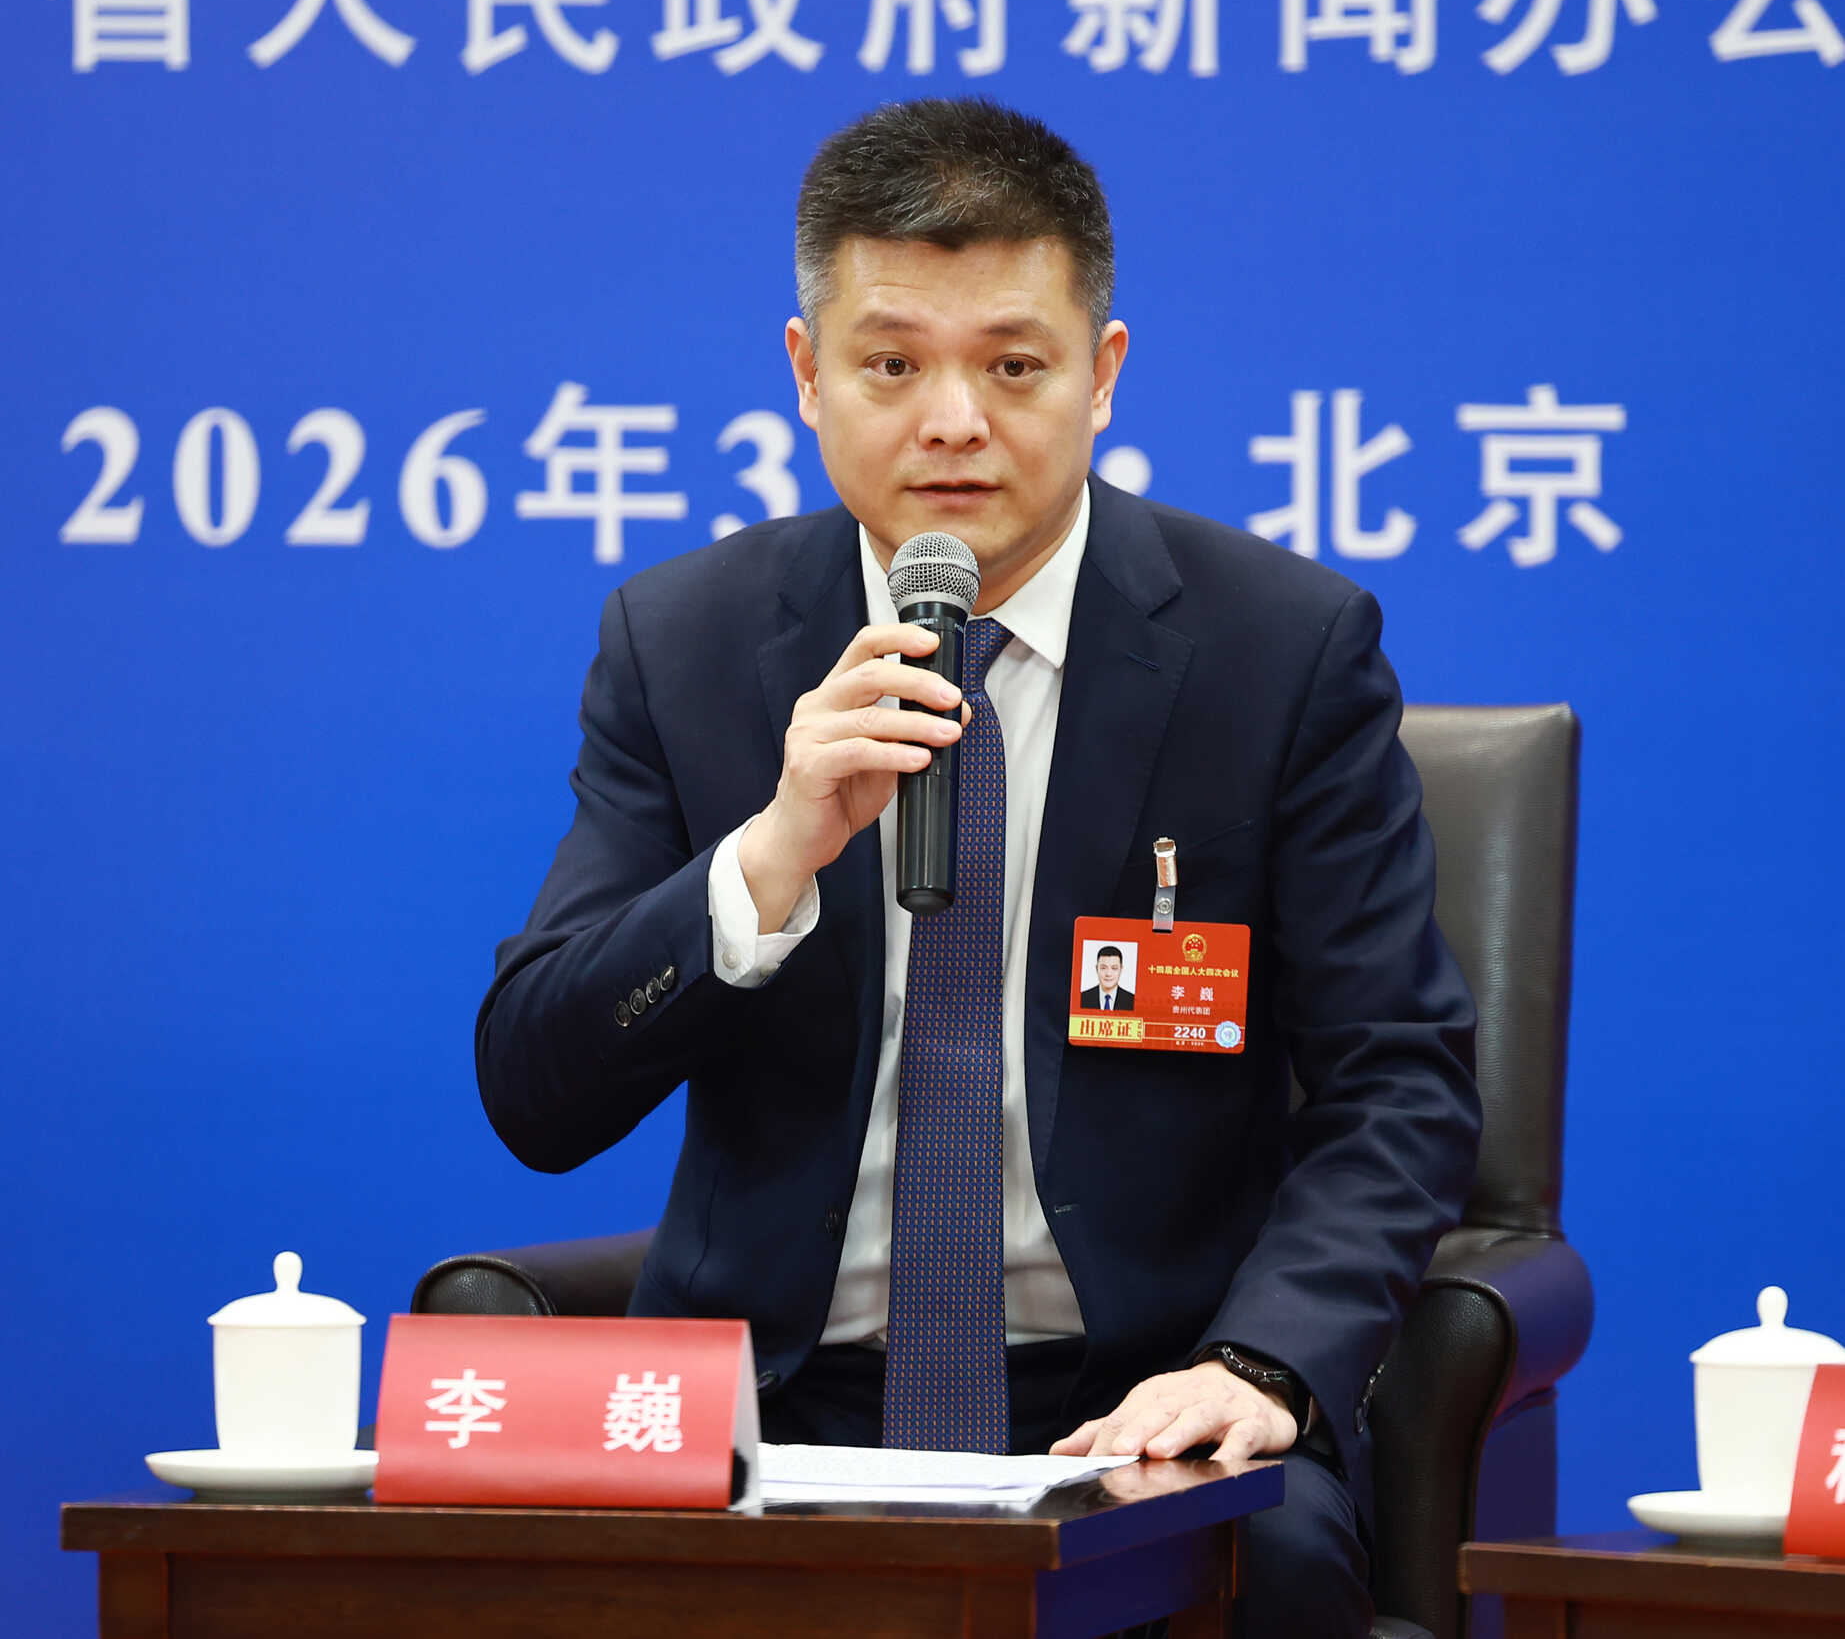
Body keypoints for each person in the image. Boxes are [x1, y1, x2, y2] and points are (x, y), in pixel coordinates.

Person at [477, 97, 1480, 1639]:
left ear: (1103, 373)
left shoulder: (1280, 652)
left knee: (1270, 1566)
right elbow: (537, 1092)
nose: (953, 421)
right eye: (891, 365)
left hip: (1141, 1403)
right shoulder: (683, 644)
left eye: (1014, 365)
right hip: (771, 1407)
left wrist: (1260, 1363)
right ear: (806, 373)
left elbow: (1397, 1081)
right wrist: (772, 851)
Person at [1079, 945, 1134, 1011]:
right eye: (1103, 968)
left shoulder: (1132, 1001)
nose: (1108, 974)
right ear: (1097, 969)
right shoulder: (1082, 998)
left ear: (1121, 969)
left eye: (1114, 968)